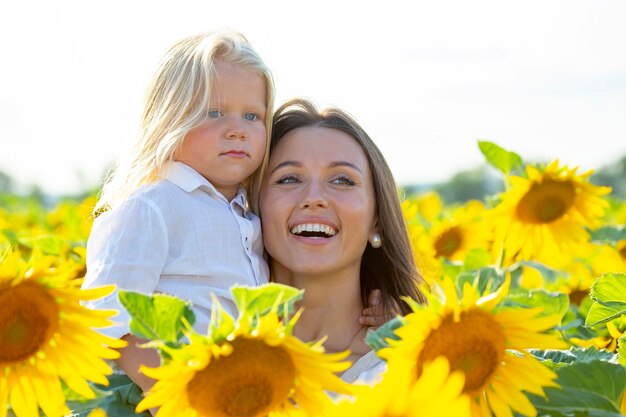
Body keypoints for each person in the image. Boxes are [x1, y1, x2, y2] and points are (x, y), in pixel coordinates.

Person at [81, 29, 275, 413]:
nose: (237, 128)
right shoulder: (153, 207)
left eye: (252, 115)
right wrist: (181, 397)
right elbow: (109, 320)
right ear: (168, 118)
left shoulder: (251, 213)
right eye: (213, 112)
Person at [258, 98, 427, 383]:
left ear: (377, 218)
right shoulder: (204, 352)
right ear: (253, 206)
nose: (314, 198)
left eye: (342, 180)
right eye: (288, 179)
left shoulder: (419, 364)